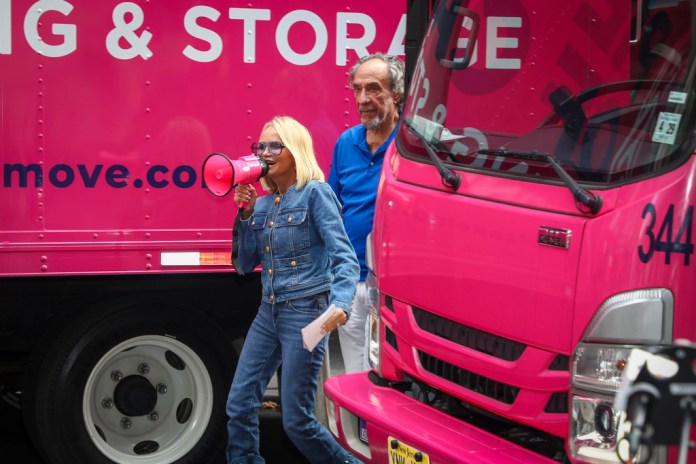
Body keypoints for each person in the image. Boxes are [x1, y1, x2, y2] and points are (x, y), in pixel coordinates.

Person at [226, 115, 362, 464]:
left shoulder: (316, 193)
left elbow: (345, 257)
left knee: (297, 420)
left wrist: (340, 303)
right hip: (268, 311)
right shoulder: (263, 204)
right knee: (238, 405)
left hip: (307, 313)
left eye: (275, 146)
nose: (265, 153)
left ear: (295, 150)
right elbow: (244, 265)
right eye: (261, 146)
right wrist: (246, 214)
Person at [328, 53, 405, 373]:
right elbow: (332, 208)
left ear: (396, 94)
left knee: (385, 377)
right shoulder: (346, 142)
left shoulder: (411, 145)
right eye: (357, 89)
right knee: (354, 374)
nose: (362, 99)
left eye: (373, 89)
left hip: (393, 287)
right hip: (349, 281)